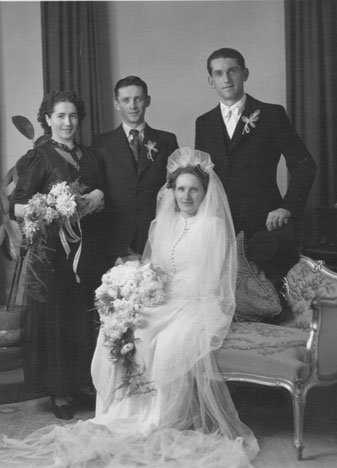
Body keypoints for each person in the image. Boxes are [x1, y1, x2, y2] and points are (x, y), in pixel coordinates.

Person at [0, 148, 258, 468]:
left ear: (205, 192)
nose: (187, 196)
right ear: (172, 192)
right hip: (166, 299)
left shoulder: (214, 225)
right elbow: (157, 267)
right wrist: (142, 287)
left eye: (194, 189)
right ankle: (120, 410)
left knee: (169, 343)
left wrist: (166, 297)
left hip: (198, 303)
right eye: (180, 189)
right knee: (120, 331)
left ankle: (161, 416)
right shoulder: (166, 221)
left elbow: (210, 281)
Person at [10, 90, 106, 420]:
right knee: (58, 319)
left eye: (73, 116)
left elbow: (100, 191)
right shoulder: (39, 157)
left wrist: (97, 194)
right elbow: (15, 207)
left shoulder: (90, 155)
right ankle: (59, 389)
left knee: (83, 316)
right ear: (48, 120)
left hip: (87, 250)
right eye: (60, 116)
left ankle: (82, 384)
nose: (67, 122)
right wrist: (50, 207)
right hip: (52, 256)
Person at [195, 48, 317, 288]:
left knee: (270, 297)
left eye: (233, 71)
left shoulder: (272, 114)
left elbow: (305, 166)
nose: (227, 79)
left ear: (245, 73)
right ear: (211, 81)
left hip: (265, 225)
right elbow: (204, 176)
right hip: (221, 226)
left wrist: (286, 207)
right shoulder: (204, 123)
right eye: (219, 73)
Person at [91, 75, 178, 268]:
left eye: (138, 99)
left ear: (147, 101)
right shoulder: (101, 143)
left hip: (156, 233)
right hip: (115, 235)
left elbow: (174, 188)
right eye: (126, 100)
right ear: (116, 104)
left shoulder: (167, 141)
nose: (133, 105)